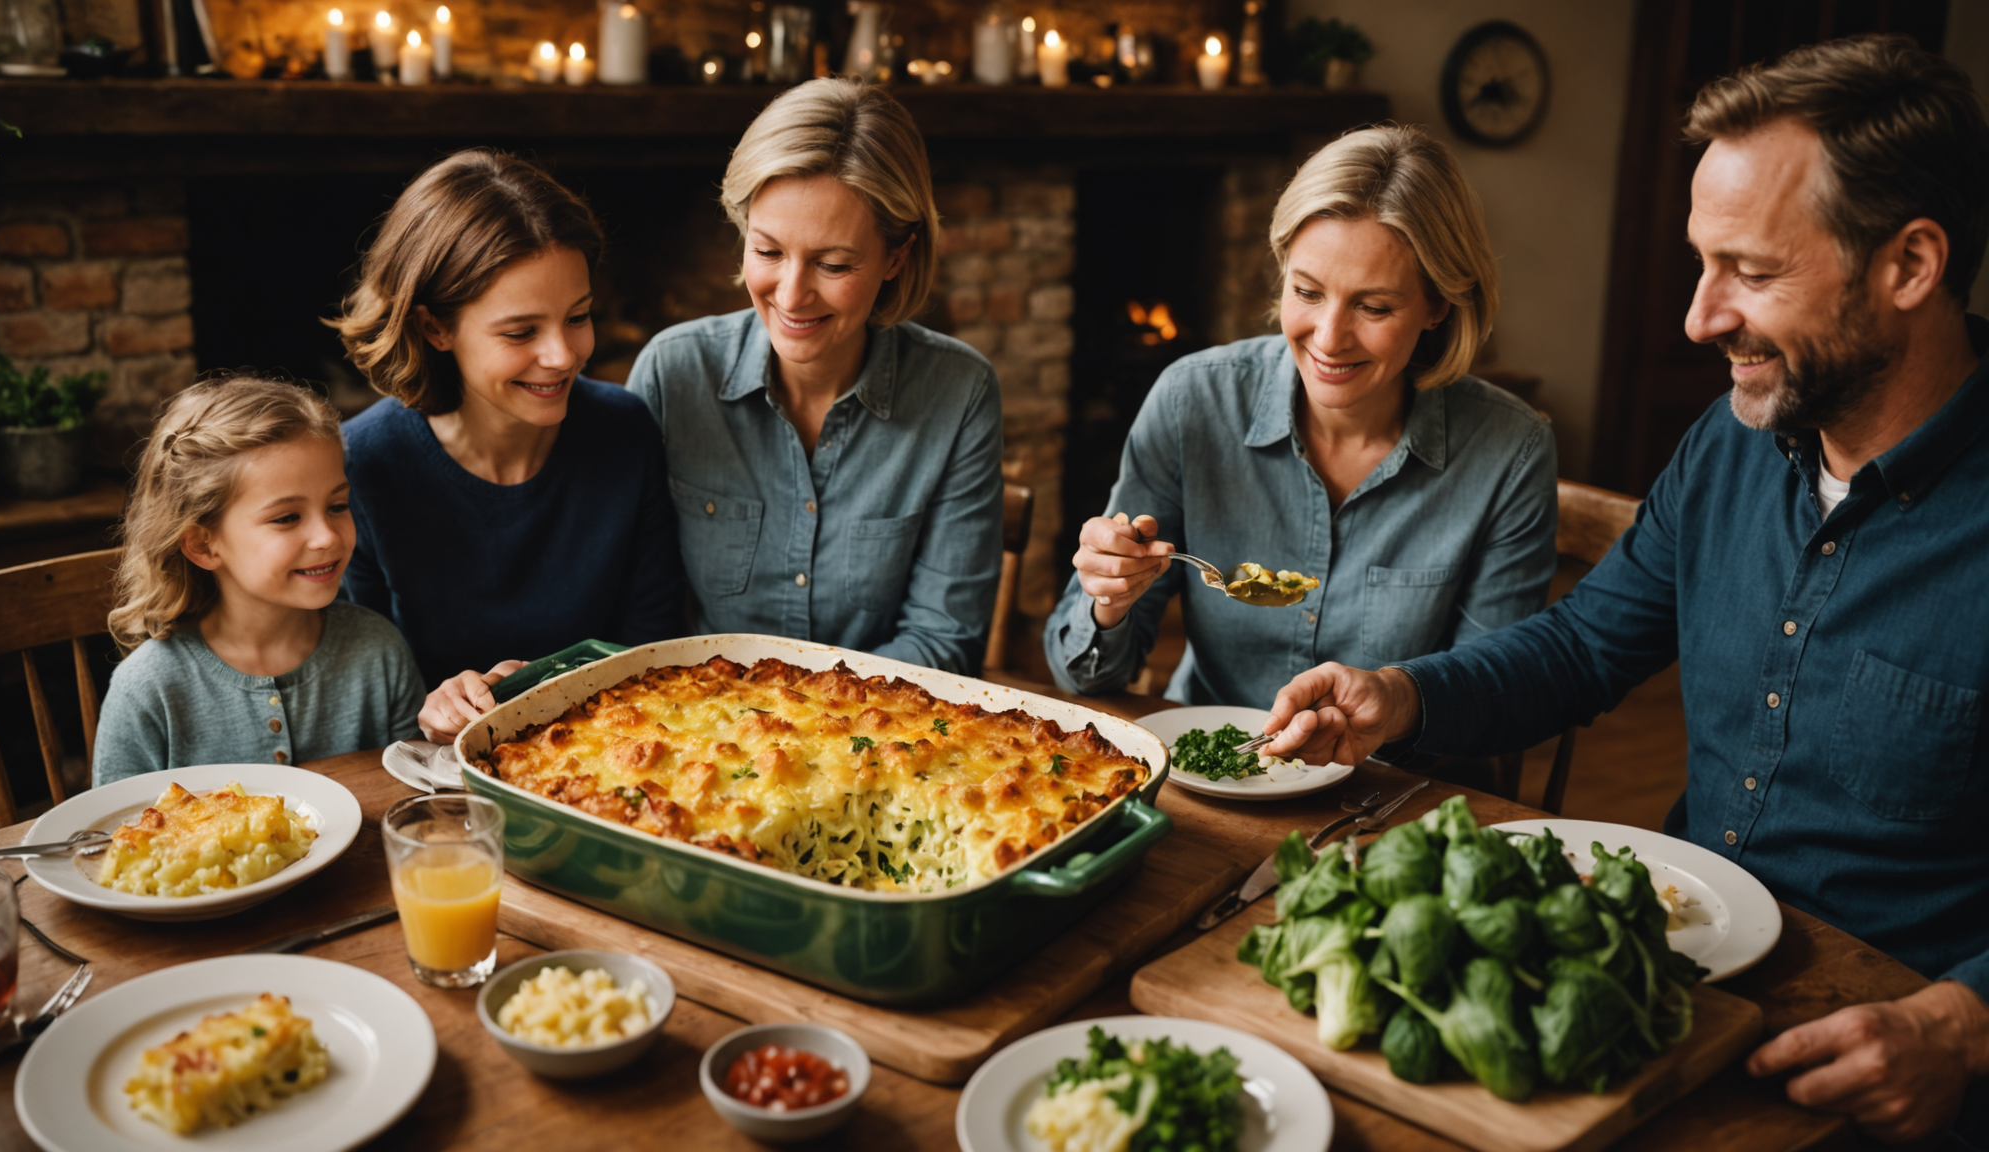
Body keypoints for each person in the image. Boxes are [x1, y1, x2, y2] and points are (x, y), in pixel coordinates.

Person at [1259, 38, 1989, 1145]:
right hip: (1666, 987)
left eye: (1751, 271)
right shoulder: (1735, 441)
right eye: (1702, 265)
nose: (1700, 318)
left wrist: (1960, 1026)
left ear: (1910, 264)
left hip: (1896, 1067)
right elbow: (1585, 648)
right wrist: (1400, 696)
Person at [1044, 125, 1555, 708]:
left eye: (1374, 306)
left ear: (1438, 304)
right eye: (1308, 292)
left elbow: (1494, 696)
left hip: (1393, 791)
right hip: (1213, 772)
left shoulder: (1511, 452)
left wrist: (1392, 704)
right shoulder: (1192, 402)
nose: (1330, 339)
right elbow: (1081, 677)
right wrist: (1109, 601)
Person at [627, 79, 1003, 675]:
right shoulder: (673, 373)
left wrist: (799, 723)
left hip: (879, 736)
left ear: (895, 258)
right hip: (692, 736)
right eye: (768, 252)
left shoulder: (958, 392)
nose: (793, 295)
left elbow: (942, 641)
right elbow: (633, 615)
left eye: (833, 264)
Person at [333, 150, 685, 741]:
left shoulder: (626, 433)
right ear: (434, 327)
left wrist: (543, 687)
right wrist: (435, 703)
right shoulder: (362, 464)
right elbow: (365, 688)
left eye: (578, 316)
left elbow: (651, 656)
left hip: (612, 760)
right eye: (521, 331)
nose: (563, 355)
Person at [94, 375, 425, 785]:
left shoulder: (379, 652)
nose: (327, 537)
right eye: (287, 517)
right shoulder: (147, 690)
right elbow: (112, 838)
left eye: (338, 505)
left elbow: (416, 805)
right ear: (202, 544)